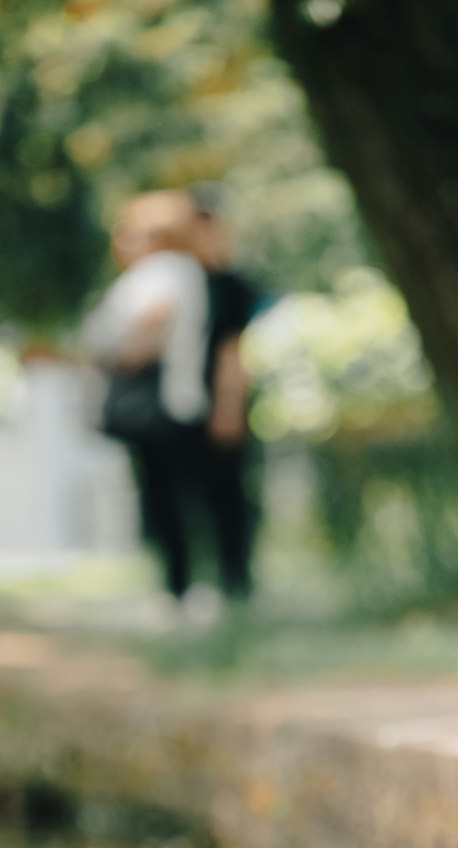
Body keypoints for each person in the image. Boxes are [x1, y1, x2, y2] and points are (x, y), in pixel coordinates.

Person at [82, 191, 209, 600]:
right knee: (169, 496)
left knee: (165, 499)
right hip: (172, 402)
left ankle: (181, 590)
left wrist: (108, 357)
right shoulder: (178, 270)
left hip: (162, 404)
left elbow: (150, 331)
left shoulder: (163, 272)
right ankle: (182, 588)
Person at [189, 184, 262, 599]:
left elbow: (234, 350)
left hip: (219, 399)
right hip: (175, 406)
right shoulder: (172, 280)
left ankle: (235, 585)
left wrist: (229, 404)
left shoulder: (230, 285)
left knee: (228, 496)